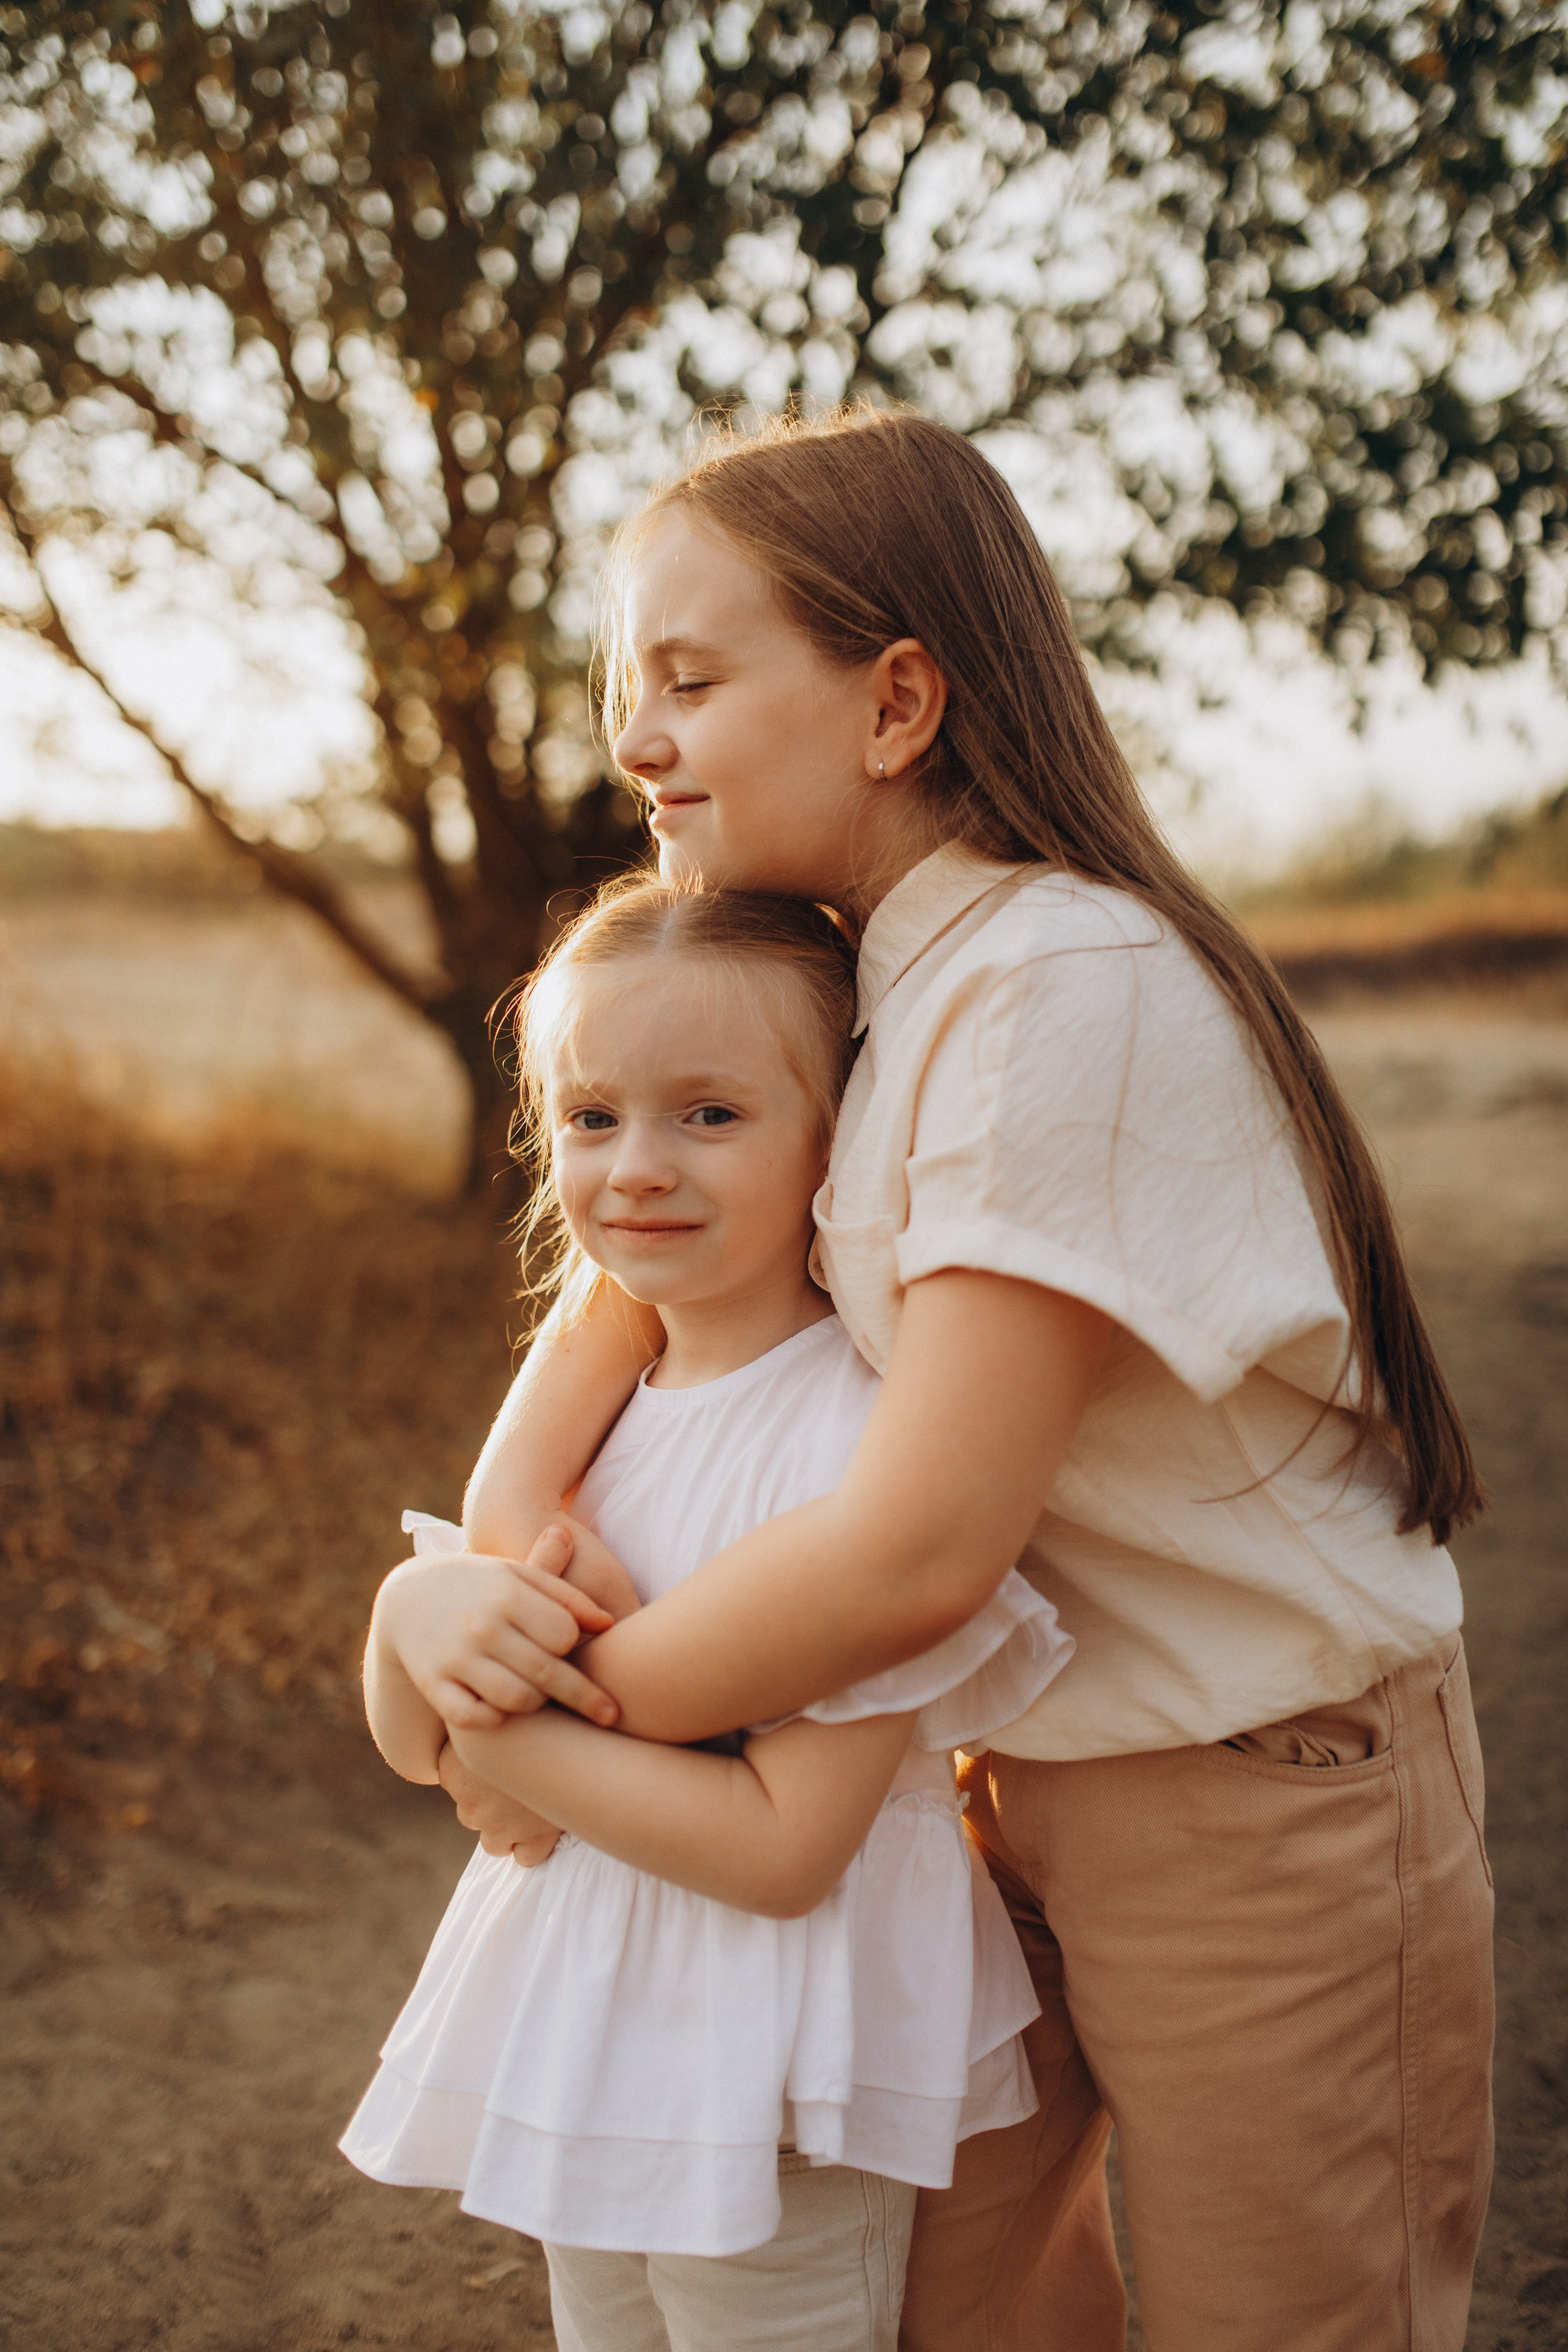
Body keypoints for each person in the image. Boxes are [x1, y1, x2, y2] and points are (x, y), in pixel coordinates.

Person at [387, 410, 1494, 2351]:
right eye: (624, 687)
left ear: (898, 701)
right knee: (951, 2318)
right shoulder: (874, 985)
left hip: (1248, 1794)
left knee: (1283, 2322)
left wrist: (547, 1731)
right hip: (994, 1791)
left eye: (692, 679)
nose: (635, 739)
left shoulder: (1062, 980)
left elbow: (915, 1552)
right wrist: (470, 1589)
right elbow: (618, 1325)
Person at [342, 881, 1076, 2352]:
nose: (636, 1169)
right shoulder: (604, 1406)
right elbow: (415, 1742)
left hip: (774, 2065)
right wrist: (406, 1613)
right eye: (592, 1117)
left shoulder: (864, 1440)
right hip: (589, 2029)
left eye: (711, 1116)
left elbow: (781, 1850)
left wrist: (509, 1735)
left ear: (839, 1139)